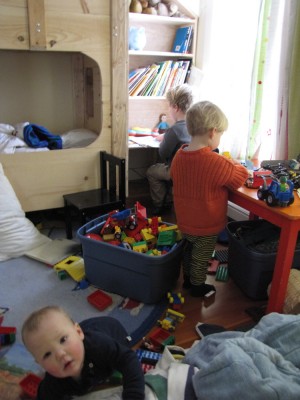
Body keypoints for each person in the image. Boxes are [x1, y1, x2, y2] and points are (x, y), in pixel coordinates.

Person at [170, 101, 249, 297]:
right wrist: (233, 162)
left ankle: (188, 279)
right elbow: (240, 177)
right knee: (201, 255)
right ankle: (197, 286)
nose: (220, 138)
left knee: (188, 251)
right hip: (206, 222)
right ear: (213, 132)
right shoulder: (216, 162)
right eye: (221, 134)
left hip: (185, 220)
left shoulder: (179, 156)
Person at [21, 306, 145, 400]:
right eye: (47, 354)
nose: (60, 354)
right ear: (40, 363)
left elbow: (128, 360)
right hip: (81, 332)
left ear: (79, 333)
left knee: (121, 355)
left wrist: (133, 395)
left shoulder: (98, 345)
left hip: (111, 330)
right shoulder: (52, 383)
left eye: (63, 340)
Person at [146, 84, 193, 215]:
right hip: (193, 170)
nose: (169, 109)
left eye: (169, 105)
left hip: (176, 171)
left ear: (175, 107)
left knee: (152, 171)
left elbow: (162, 153)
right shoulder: (194, 126)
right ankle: (167, 198)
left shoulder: (174, 130)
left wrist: (165, 138)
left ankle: (159, 205)